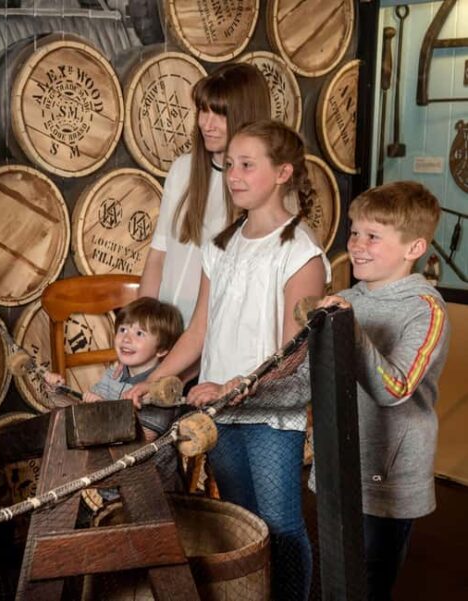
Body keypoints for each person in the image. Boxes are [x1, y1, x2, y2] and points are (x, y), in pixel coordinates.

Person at [126, 120, 329, 600]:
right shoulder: (221, 245)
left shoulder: (300, 254)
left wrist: (233, 386)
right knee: (241, 519)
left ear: (283, 173)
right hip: (217, 408)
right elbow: (199, 330)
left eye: (247, 165)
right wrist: (155, 377)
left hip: (269, 415)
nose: (234, 176)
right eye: (231, 165)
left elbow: (290, 357)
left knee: (279, 523)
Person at [315, 181, 450, 601]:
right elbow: (309, 380)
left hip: (388, 477)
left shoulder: (426, 309)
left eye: (373, 236)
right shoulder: (343, 297)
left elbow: (394, 388)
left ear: (414, 248)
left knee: (368, 587)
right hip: (338, 467)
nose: (357, 244)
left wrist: (348, 328)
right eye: (355, 231)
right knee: (333, 578)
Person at [139, 62, 271, 330]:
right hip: (165, 334)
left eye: (219, 114)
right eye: (203, 110)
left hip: (217, 339)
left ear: (246, 116)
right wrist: (142, 327)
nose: (206, 124)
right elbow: (158, 257)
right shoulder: (182, 170)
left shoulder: (263, 187)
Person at [43, 297, 184, 440]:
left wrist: (103, 410)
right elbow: (77, 416)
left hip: (143, 453)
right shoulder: (113, 374)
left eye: (139, 333)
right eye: (123, 329)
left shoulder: (162, 389)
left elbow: (145, 439)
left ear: (162, 349)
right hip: (106, 446)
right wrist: (57, 392)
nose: (126, 339)